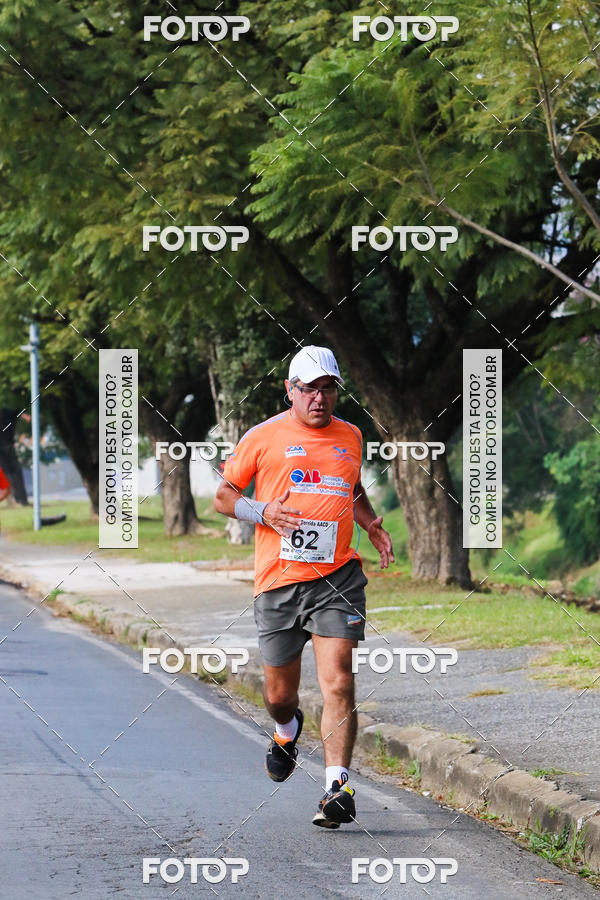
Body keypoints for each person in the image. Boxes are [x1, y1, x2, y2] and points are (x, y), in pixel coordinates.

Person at [214, 346, 394, 829]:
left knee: (339, 680)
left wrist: (369, 523)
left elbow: (351, 486)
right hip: (278, 583)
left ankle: (337, 788)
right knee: (279, 695)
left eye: (328, 388)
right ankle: (285, 728)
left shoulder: (351, 435)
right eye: (309, 388)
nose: (319, 398)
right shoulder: (263, 436)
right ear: (290, 390)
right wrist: (264, 511)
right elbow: (223, 496)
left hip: (338, 578)